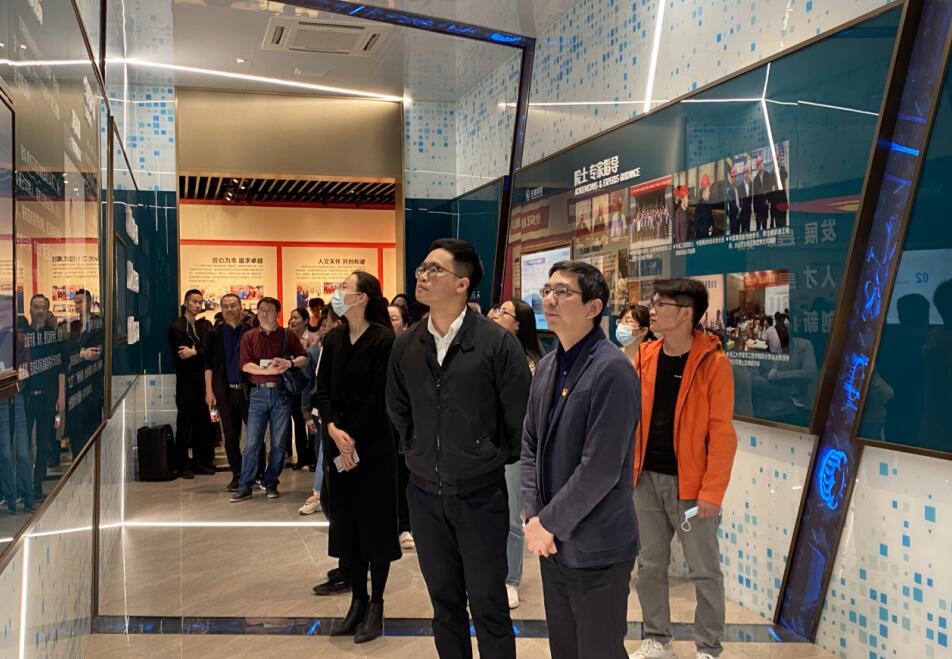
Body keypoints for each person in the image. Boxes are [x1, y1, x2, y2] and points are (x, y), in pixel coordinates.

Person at [387, 238, 530, 659]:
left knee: (489, 605)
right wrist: (418, 448)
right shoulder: (407, 344)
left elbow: (518, 417)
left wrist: (484, 454)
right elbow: (397, 407)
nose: (422, 276)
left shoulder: (496, 343)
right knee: (444, 606)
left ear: (462, 283)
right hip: (424, 494)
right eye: (422, 268)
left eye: (434, 269)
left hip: (480, 496)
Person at [520, 261, 641, 659]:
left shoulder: (613, 371)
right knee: (565, 649)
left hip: (597, 547)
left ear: (593, 307)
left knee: (598, 650)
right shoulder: (548, 366)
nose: (549, 299)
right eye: (547, 290)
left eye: (563, 292)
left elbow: (600, 468)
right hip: (552, 544)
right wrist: (533, 516)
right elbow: (530, 444)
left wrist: (548, 523)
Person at [630, 279, 737, 659]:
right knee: (649, 565)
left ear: (686, 313)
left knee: (704, 569)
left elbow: (722, 433)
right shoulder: (644, 356)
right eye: (653, 303)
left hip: (691, 488)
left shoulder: (713, 363)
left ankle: (708, 647)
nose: (652, 310)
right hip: (645, 481)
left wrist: (712, 491)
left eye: (661, 304)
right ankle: (657, 639)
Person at [315, 271, 401, 644]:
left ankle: (376, 605)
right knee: (348, 525)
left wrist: (352, 440)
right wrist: (334, 429)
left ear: (362, 297)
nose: (338, 294)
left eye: (344, 289)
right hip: (339, 442)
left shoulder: (384, 340)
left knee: (375, 527)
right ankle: (357, 601)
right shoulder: (333, 339)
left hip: (373, 447)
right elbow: (322, 391)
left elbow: (380, 396)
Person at [491, 298, 542, 610]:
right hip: (488, 445)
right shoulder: (490, 349)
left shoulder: (532, 362)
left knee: (513, 517)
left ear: (519, 324)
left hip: (517, 447)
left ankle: (510, 579)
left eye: (505, 313)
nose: (497, 315)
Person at [230, 297, 307, 502]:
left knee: (279, 443)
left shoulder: (287, 335)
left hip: (281, 394)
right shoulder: (249, 336)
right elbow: (245, 365)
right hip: (257, 394)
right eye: (261, 310)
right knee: (252, 443)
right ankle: (245, 485)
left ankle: (271, 481)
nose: (264, 314)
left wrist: (289, 363)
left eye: (269, 310)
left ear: (278, 314)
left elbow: (304, 358)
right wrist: (267, 371)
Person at [22, 294, 66, 501]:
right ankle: (24, 486)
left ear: (48, 311)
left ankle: (37, 486)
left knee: (43, 442)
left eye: (43, 307)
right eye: (36, 306)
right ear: (30, 309)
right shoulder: (23, 336)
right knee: (23, 444)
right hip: (27, 398)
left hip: (48, 397)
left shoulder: (54, 337)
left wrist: (61, 396)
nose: (39, 310)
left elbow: (61, 369)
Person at [203, 294, 248, 491]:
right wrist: (209, 391)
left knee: (255, 434)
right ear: (221, 310)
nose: (229, 309)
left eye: (233, 305)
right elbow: (208, 365)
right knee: (230, 436)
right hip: (225, 392)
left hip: (248, 392)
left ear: (241, 307)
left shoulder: (250, 331)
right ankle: (237, 474)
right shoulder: (214, 334)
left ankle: (257, 473)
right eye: (225, 306)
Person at [169, 289, 215, 479]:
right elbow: (182, 355)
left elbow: (209, 351)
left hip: (204, 381)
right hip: (186, 382)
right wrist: (199, 352)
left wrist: (195, 351)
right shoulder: (177, 327)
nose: (197, 305)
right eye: (194, 301)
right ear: (186, 303)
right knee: (185, 424)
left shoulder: (203, 326)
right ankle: (182, 465)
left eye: (200, 302)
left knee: (203, 423)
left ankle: (201, 463)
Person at [388, 303, 415, 550]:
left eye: (394, 318)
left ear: (405, 324)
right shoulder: (378, 348)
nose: (389, 321)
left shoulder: (411, 349)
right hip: (381, 424)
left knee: (403, 475)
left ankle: (405, 526)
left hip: (406, 425)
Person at [287, 307, 316, 470]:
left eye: (296, 318)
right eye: (291, 318)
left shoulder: (314, 339)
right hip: (293, 388)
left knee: (311, 423)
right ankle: (301, 457)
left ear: (305, 321)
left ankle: (312, 457)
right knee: (298, 424)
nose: (293, 321)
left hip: (309, 388)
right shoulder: (288, 339)